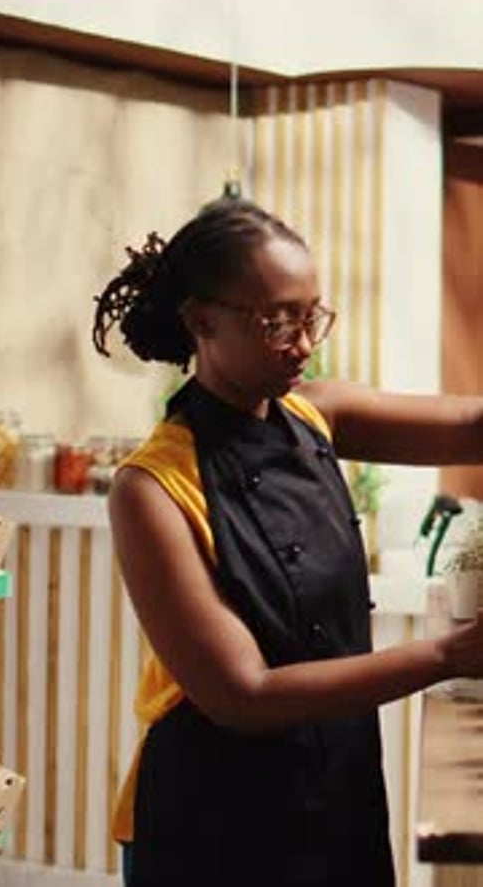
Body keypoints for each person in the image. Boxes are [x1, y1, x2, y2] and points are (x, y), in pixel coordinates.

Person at [92, 197, 483, 887]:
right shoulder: (152, 488)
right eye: (277, 321)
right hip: (215, 821)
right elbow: (242, 693)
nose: (302, 344)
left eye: (311, 317)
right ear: (201, 320)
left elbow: (471, 425)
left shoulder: (315, 414)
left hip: (338, 787)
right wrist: (447, 655)